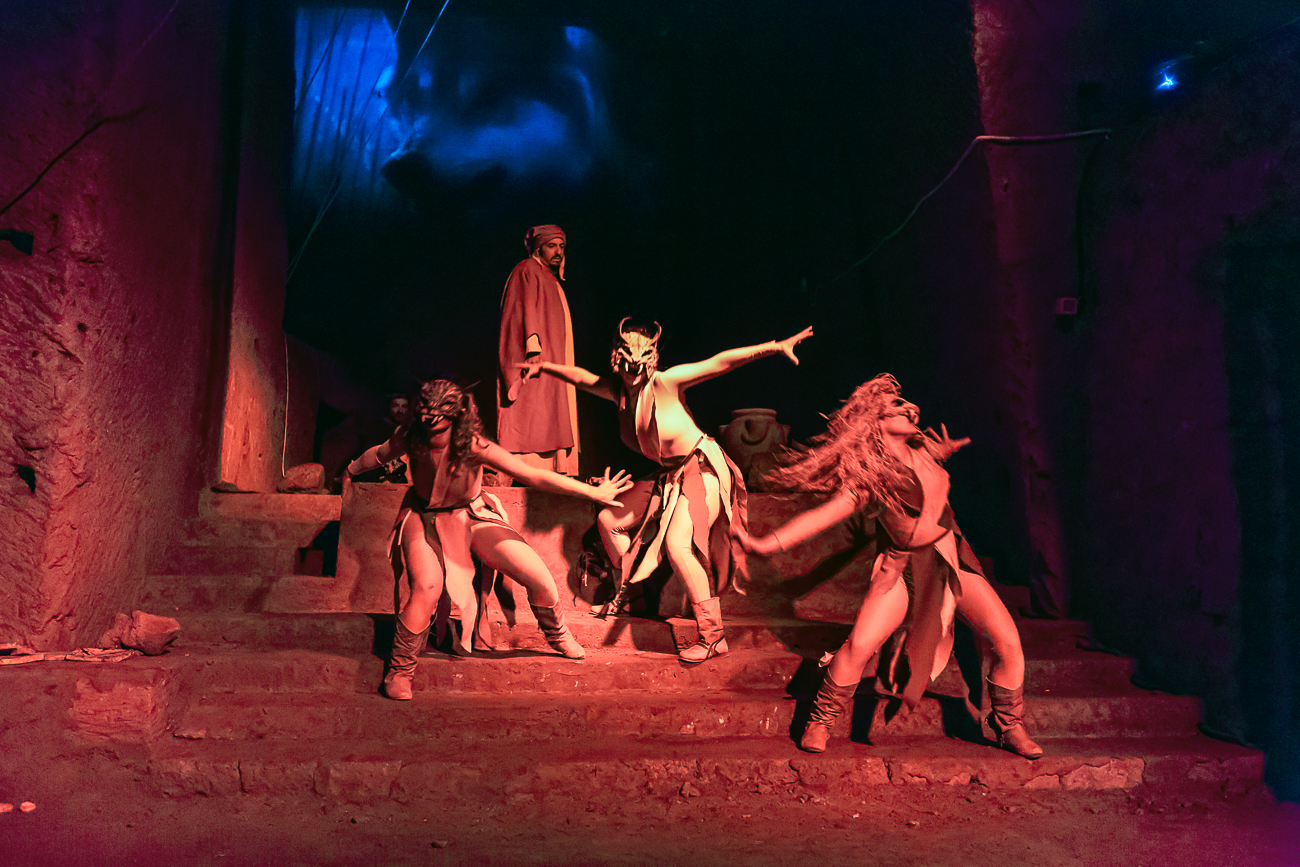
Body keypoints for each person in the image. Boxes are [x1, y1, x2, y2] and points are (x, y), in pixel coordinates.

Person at [733, 374, 1043, 759]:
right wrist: (764, 543)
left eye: (907, 402)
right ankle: (821, 720)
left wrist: (939, 455)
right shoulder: (871, 477)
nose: (909, 408)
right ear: (874, 420)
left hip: (951, 560)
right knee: (860, 645)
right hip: (901, 569)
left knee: (1007, 640)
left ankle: (1009, 725)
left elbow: (926, 488)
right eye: (896, 406)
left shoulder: (925, 454)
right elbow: (821, 517)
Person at [521, 320, 814, 664]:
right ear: (617, 359)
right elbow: (583, 378)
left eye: (639, 364)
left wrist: (774, 346)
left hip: (702, 468)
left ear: (650, 361)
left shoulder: (665, 382)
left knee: (678, 544)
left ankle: (713, 636)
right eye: (627, 364)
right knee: (609, 519)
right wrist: (545, 366)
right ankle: (632, 598)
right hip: (669, 476)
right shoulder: (618, 392)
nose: (633, 371)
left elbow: (720, 362)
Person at [345, 380, 632, 700]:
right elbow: (379, 454)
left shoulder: (474, 444)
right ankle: (401, 670)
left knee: (537, 575)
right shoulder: (410, 436)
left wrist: (591, 492)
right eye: (424, 412)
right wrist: (350, 470)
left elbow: (532, 474)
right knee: (426, 586)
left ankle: (558, 634)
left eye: (438, 415)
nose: (429, 421)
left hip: (472, 515)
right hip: (424, 516)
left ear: (456, 415)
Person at [497, 224, 580, 476]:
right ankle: (527, 470)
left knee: (554, 408)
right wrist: (532, 348)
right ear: (538, 248)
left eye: (561, 246)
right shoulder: (527, 269)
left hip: (555, 356)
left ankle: (555, 469)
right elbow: (522, 309)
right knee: (537, 410)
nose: (558, 252)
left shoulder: (548, 277)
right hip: (538, 358)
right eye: (551, 246)